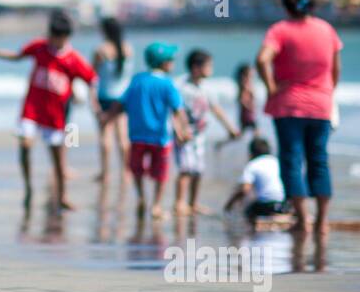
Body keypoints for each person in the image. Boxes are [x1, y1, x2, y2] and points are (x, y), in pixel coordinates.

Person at [0, 9, 97, 229]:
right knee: (25, 145)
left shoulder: (73, 60)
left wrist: (94, 101)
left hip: (55, 117)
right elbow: (16, 56)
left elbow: (91, 79)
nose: (54, 40)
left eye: (58, 37)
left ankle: (62, 197)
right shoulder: (40, 47)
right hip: (32, 110)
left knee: (58, 160)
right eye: (52, 35)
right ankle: (28, 188)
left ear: (66, 37)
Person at [256, 0, 342, 235]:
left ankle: (303, 219)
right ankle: (322, 221)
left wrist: (271, 87)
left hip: (289, 106)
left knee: (292, 161)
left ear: (286, 6)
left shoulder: (280, 30)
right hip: (321, 105)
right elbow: (336, 69)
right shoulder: (327, 30)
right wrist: (326, 91)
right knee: (319, 160)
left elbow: (262, 60)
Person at [102, 41, 191, 239]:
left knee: (137, 170)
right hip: (160, 137)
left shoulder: (137, 80)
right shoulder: (168, 83)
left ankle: (142, 197)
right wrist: (184, 130)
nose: (173, 63)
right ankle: (156, 205)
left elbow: (120, 102)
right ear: (165, 63)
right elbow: (178, 109)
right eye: (171, 60)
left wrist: (107, 116)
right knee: (160, 173)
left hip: (137, 135)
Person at [173, 48, 238, 215]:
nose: (211, 68)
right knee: (185, 169)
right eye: (208, 65)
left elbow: (216, 109)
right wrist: (179, 130)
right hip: (185, 135)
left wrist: (230, 128)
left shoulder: (206, 88)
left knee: (198, 169)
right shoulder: (183, 87)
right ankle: (180, 203)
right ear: (196, 67)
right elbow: (174, 110)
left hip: (200, 135)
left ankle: (193, 203)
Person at [91, 16, 132, 187]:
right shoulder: (128, 48)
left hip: (105, 96)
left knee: (105, 136)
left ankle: (105, 173)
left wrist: (93, 102)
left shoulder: (101, 50)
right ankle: (126, 172)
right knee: (122, 137)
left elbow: (92, 76)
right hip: (123, 97)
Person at [223, 136, 287, 233]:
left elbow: (244, 190)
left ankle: (252, 232)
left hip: (265, 207)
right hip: (284, 205)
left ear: (251, 153)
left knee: (248, 210)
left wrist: (229, 204)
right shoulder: (278, 162)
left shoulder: (252, 165)